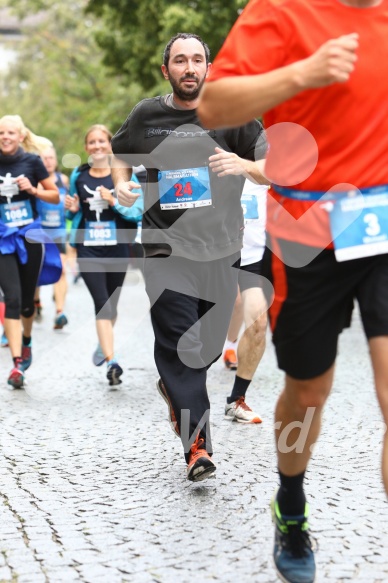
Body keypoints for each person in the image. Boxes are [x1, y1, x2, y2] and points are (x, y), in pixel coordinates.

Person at [198, 1, 388, 582]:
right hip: (307, 236)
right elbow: (212, 104)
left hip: (384, 228)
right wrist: (301, 74)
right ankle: (291, 501)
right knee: (308, 392)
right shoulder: (281, 12)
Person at [111, 33, 267, 482]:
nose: (189, 67)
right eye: (180, 60)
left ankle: (174, 388)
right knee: (182, 348)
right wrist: (123, 183)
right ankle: (197, 446)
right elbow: (121, 155)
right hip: (164, 248)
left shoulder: (233, 113)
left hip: (220, 250)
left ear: (208, 68)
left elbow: (273, 169)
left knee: (208, 350)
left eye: (197, 59)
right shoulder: (147, 115)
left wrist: (244, 166)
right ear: (167, 71)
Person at [65, 124, 143, 386]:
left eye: (102, 141)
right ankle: (112, 361)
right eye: (92, 142)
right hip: (89, 249)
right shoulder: (79, 175)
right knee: (102, 304)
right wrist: (73, 208)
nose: (97, 146)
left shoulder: (121, 175)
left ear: (110, 145)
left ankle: (103, 346)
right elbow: (74, 212)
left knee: (112, 306)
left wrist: (113, 201)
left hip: (118, 249)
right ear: (86, 147)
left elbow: (137, 213)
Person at [0, 114, 60, 388]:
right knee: (11, 299)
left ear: (21, 136)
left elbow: (54, 195)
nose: (5, 137)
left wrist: (33, 189)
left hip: (30, 235)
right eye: (1, 133)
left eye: (10, 133)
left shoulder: (33, 162)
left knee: (26, 302)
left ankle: (26, 341)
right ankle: (16, 364)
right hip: (3, 237)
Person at [223, 179, 268, 424]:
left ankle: (236, 398)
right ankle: (178, 383)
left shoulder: (264, 163)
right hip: (214, 256)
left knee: (259, 325)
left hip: (253, 259)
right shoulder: (209, 156)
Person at [35, 145, 70, 329]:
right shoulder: (35, 180)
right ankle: (36, 302)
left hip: (58, 233)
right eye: (44, 158)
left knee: (61, 270)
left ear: (55, 160)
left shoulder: (63, 180)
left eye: (50, 158)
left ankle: (59, 312)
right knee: (36, 272)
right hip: (39, 233)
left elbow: (72, 202)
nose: (47, 161)